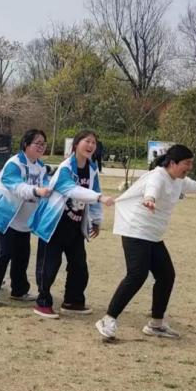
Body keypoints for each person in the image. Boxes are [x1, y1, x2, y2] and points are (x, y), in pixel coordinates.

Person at [96, 144, 196, 342]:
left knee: (166, 275)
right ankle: (108, 319)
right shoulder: (157, 176)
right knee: (137, 274)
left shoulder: (179, 179)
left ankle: (156, 324)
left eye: (191, 163)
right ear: (173, 163)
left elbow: (195, 186)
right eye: (187, 163)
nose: (190, 167)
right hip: (135, 229)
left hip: (152, 234)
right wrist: (149, 199)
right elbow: (152, 190)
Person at [30, 130, 114, 319]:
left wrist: (97, 220)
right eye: (87, 141)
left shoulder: (92, 169)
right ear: (76, 144)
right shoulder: (65, 168)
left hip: (75, 226)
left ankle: (73, 301)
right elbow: (72, 189)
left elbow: (95, 190)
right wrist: (99, 197)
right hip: (54, 225)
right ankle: (43, 302)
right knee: (49, 266)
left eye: (94, 142)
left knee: (79, 266)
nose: (91, 145)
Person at [0, 129, 52, 306]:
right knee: (3, 253)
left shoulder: (41, 167)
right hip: (4, 215)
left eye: (43, 144)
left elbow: (47, 186)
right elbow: (16, 186)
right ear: (26, 144)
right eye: (37, 143)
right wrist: (37, 191)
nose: (41, 147)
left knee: (22, 254)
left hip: (23, 220)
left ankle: (19, 290)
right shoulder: (14, 163)